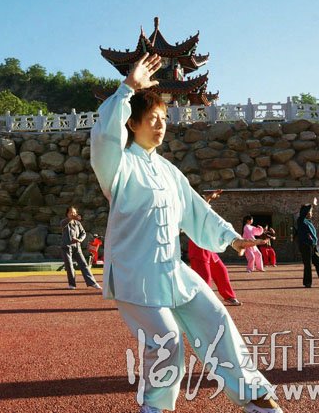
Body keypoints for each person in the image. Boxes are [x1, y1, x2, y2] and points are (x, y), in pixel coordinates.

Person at [90, 53, 282, 413]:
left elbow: (196, 210)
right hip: (134, 273)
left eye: (164, 119)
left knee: (216, 320)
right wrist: (127, 88)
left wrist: (232, 238)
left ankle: (253, 395)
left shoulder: (168, 171)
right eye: (152, 119)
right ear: (131, 123)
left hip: (171, 269)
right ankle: (155, 407)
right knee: (166, 340)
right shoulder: (118, 164)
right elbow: (104, 137)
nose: (160, 126)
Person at [187, 190, 241, 306]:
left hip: (209, 248)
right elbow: (199, 210)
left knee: (221, 271)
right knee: (205, 278)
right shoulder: (190, 214)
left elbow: (204, 210)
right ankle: (205, 302)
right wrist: (208, 199)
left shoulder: (206, 213)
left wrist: (208, 199)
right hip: (198, 250)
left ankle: (229, 296)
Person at [61, 206, 102, 290]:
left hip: (77, 247)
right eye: (71, 212)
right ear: (67, 214)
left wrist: (79, 240)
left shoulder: (78, 223)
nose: (73, 214)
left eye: (74, 212)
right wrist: (71, 218)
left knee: (84, 264)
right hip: (66, 247)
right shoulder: (64, 222)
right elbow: (65, 222)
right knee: (69, 266)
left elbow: (83, 233)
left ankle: (92, 283)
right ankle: (72, 284)